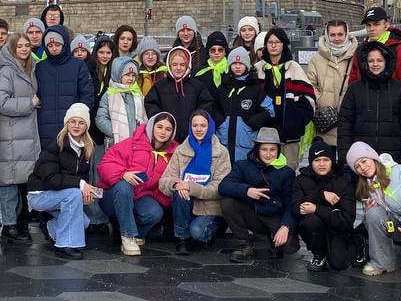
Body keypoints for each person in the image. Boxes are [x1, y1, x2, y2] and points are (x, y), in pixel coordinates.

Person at [97, 113, 176, 256]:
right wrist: (122, 174)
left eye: (168, 129)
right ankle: (128, 236)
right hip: (113, 196)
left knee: (154, 212)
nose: (163, 132)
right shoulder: (132, 143)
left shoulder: (173, 153)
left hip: (141, 197)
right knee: (124, 186)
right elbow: (105, 165)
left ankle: (137, 234)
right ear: (151, 127)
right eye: (159, 127)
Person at [27, 103, 97, 259]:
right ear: (67, 123)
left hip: (60, 194)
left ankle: (51, 228)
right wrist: (80, 186)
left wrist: (85, 194)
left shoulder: (86, 148)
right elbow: (51, 178)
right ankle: (65, 245)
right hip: (40, 194)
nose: (76, 126)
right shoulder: (56, 144)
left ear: (86, 126)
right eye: (73, 121)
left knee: (83, 222)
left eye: (81, 122)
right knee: (73, 195)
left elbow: (82, 178)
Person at [347, 141, 401, 277]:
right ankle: (382, 263)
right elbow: (369, 220)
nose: (363, 168)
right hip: (395, 222)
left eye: (364, 161)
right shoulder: (367, 186)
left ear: (373, 158)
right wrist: (368, 212)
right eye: (357, 167)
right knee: (373, 213)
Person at [219, 126, 298, 263]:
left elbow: (290, 203)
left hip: (274, 216)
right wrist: (247, 190)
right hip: (252, 213)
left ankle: (273, 237)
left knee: (289, 247)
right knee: (227, 202)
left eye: (272, 150)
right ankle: (244, 244)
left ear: (278, 150)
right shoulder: (243, 165)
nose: (268, 154)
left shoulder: (287, 173)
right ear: (257, 150)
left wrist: (286, 226)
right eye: (264, 149)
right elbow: (223, 186)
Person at [337, 41, 401, 168]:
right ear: (365, 63)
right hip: (361, 159)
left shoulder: (399, 89)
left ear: (386, 62)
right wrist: (345, 156)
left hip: (392, 159)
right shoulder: (354, 89)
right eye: (371, 61)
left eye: (379, 60)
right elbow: (345, 125)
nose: (375, 64)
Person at [160, 110, 231, 254]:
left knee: (197, 233)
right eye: (195, 125)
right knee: (179, 193)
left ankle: (216, 226)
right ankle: (182, 239)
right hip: (185, 204)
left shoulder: (221, 152)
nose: (198, 129)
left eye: (203, 125)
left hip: (209, 206)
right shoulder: (181, 150)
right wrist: (176, 184)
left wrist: (191, 187)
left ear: (210, 127)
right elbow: (164, 180)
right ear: (190, 127)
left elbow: (221, 186)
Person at [0, 31, 40, 245]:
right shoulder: (7, 71)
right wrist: (29, 103)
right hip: (12, 135)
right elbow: (2, 103)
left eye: (27, 46)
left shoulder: (28, 68)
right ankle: (9, 225)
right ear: (12, 49)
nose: (24, 49)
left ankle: (19, 223)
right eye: (19, 46)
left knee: (22, 182)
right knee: (9, 183)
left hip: (26, 135)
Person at [294, 141, 358, 272]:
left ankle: (359, 240)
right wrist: (321, 196)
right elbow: (296, 208)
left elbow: (347, 219)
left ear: (331, 161)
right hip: (316, 229)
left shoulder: (344, 183)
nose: (322, 164)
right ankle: (319, 253)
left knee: (338, 264)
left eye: (326, 160)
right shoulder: (301, 180)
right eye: (317, 160)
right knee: (310, 220)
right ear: (311, 162)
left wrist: (316, 208)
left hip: (338, 230)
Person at [35, 25, 96, 144]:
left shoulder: (78, 66)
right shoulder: (40, 67)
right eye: (50, 45)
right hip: (46, 129)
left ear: (64, 44)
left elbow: (87, 95)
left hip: (72, 128)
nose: (54, 49)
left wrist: (79, 118)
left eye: (57, 45)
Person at [304, 19, 357, 150]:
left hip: (351, 118)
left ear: (347, 35)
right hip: (326, 120)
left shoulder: (356, 56)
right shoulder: (316, 59)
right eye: (333, 35)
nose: (337, 38)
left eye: (340, 34)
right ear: (327, 36)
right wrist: (320, 99)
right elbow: (309, 85)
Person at [215, 48, 273, 162]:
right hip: (224, 141)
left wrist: (251, 123)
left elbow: (269, 110)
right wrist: (221, 122)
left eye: (241, 63)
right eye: (234, 63)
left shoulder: (255, 87)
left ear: (247, 66)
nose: (237, 66)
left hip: (246, 142)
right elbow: (214, 108)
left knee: (243, 173)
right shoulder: (223, 87)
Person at [347, 7, 401, 100]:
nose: (371, 29)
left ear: (386, 25)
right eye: (368, 25)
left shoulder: (400, 49)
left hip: (392, 108)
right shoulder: (361, 50)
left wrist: (399, 106)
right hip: (365, 107)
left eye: (376, 24)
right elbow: (353, 80)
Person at [145, 46, 213, 141]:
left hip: (191, 136)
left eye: (182, 65)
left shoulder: (197, 86)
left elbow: (206, 104)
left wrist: (196, 119)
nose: (178, 68)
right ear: (169, 65)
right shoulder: (160, 86)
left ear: (187, 65)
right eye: (174, 64)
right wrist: (161, 120)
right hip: (166, 137)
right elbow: (151, 103)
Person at [96, 57, 144, 146]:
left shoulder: (137, 94)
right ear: (118, 75)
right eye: (127, 75)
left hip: (136, 141)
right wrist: (115, 132)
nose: (131, 79)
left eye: (133, 75)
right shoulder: (109, 95)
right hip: (115, 142)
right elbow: (100, 119)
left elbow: (144, 117)